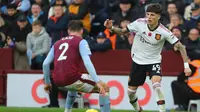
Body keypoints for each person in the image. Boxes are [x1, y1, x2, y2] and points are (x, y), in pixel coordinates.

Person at [104, 3, 192, 112]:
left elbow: (181, 47)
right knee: (130, 93)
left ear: (159, 16)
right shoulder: (139, 23)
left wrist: (186, 66)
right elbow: (122, 31)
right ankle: (138, 109)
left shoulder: (164, 31)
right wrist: (111, 28)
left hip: (153, 61)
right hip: (138, 61)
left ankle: (162, 110)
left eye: (152, 15)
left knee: (157, 85)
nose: (149, 17)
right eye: (148, 14)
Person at [43, 20, 110, 112]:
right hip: (71, 78)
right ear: (81, 31)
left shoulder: (57, 43)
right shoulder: (81, 41)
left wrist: (47, 83)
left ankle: (67, 111)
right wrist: (97, 81)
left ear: (68, 31)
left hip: (57, 81)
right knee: (105, 88)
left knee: (73, 87)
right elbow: (87, 62)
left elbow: (45, 64)